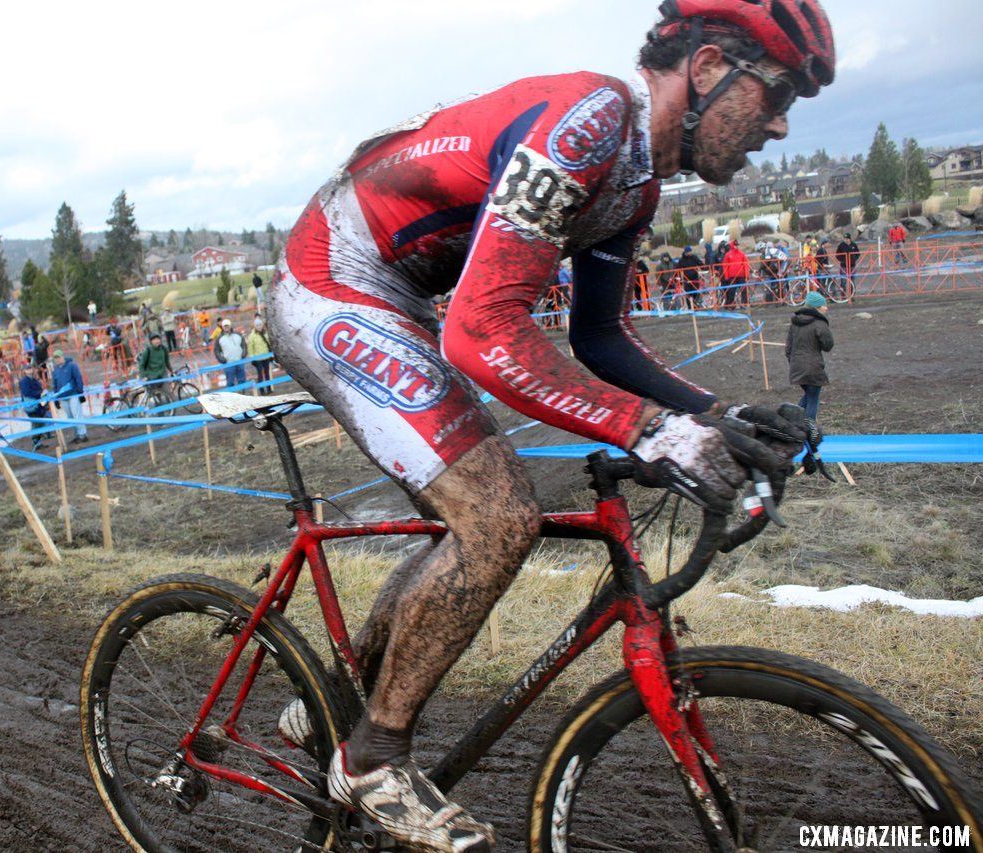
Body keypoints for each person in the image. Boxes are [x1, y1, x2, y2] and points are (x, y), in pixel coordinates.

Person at [264, 0, 833, 847]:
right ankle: (373, 756)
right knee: (496, 515)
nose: (781, 126)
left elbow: (600, 336)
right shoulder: (591, 120)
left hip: (400, 290)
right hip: (334, 281)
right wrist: (651, 431)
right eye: (779, 92)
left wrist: (718, 413)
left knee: (469, 517)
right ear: (709, 68)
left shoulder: (636, 179)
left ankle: (332, 708)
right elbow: (483, 330)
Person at [786, 290, 833, 421]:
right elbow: (828, 346)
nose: (826, 308)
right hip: (812, 368)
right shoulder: (820, 323)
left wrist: (794, 362)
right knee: (812, 400)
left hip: (796, 366)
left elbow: (788, 348)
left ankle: (791, 421)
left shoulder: (794, 323)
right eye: (824, 305)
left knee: (809, 396)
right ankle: (808, 430)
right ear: (816, 308)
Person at [50, 349, 88, 443]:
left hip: (73, 394)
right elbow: (55, 385)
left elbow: (78, 378)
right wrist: (56, 399)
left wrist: (80, 392)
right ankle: (77, 434)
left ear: (63, 357)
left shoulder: (72, 365)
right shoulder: (55, 371)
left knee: (77, 414)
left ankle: (83, 434)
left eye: (58, 357)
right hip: (63, 397)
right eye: (55, 358)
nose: (57, 359)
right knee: (70, 417)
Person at [18, 365, 51, 451]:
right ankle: (36, 442)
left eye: (30, 369)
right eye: (27, 369)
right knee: (36, 423)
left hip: (38, 405)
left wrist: (42, 394)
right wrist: (40, 394)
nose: (29, 370)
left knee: (40, 422)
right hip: (31, 406)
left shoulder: (34, 380)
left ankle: (39, 441)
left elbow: (39, 389)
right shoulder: (24, 381)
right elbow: (27, 392)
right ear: (24, 371)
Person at [213, 318, 248, 388]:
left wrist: (244, 354)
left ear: (230, 326)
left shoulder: (238, 335)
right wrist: (222, 359)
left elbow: (244, 345)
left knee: (242, 381)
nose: (226, 327)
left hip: (239, 361)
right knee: (230, 382)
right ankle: (231, 398)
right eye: (225, 326)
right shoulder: (219, 338)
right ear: (222, 327)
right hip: (228, 364)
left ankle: (243, 396)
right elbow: (216, 350)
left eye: (227, 326)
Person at [245, 316, 273, 393]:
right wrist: (252, 358)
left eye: (260, 325)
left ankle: (269, 389)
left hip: (266, 357)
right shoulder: (252, 336)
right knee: (260, 375)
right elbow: (250, 348)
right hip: (257, 359)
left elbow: (269, 344)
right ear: (255, 326)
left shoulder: (265, 333)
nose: (259, 327)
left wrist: (270, 355)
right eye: (257, 325)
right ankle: (262, 390)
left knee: (267, 374)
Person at [721, 239, 751, 306]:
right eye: (735, 245)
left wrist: (747, 275)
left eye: (737, 245)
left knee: (744, 289)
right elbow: (725, 266)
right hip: (732, 276)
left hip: (741, 275)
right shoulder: (728, 255)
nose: (736, 246)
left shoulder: (742, 254)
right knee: (732, 290)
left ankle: (745, 303)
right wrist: (726, 276)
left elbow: (746, 265)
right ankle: (731, 304)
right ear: (732, 246)